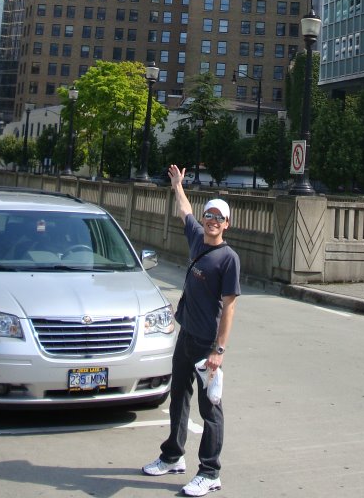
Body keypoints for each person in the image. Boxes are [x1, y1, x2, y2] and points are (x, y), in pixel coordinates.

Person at [142, 164, 240, 497]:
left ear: (227, 224)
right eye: (208, 215)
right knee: (178, 395)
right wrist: (178, 185)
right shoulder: (198, 239)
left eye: (218, 217)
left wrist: (219, 350)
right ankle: (173, 455)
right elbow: (185, 211)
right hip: (186, 335)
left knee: (210, 407)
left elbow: (229, 307)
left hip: (207, 343)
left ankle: (210, 471)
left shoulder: (228, 259)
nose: (212, 221)